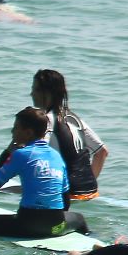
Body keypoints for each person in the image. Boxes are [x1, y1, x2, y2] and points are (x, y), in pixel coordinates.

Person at [0, 107, 90, 238]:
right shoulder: (57, 157)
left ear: (28, 133)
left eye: (16, 128)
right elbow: (65, 202)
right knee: (79, 219)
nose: (12, 131)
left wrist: (7, 152)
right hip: (55, 227)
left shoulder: (20, 155)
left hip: (26, 226)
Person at [30, 69, 107, 201]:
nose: (31, 94)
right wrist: (85, 187)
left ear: (47, 93)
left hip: (67, 194)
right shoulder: (75, 119)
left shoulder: (46, 120)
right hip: (91, 192)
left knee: (3, 192)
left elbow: (36, 156)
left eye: (35, 90)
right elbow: (102, 152)